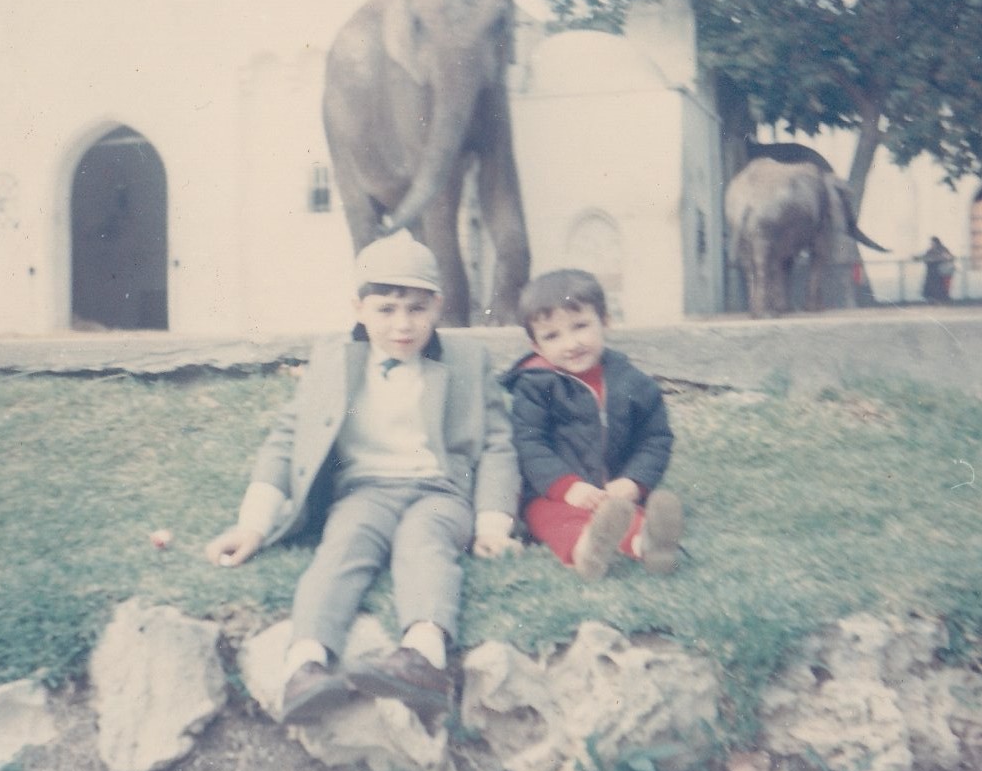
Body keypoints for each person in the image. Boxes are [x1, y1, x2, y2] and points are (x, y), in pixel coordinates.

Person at [204, 230, 521, 725]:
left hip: (439, 490)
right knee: (342, 547)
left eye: (417, 309)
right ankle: (305, 664)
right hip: (365, 490)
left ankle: (423, 656)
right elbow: (288, 437)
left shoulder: (467, 360)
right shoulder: (333, 359)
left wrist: (493, 525)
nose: (402, 324)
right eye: (386, 309)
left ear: (438, 307)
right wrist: (253, 524)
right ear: (358, 308)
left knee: (424, 542)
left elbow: (498, 444)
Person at [503, 269, 684, 581]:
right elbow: (529, 444)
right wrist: (566, 486)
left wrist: (634, 481)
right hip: (552, 494)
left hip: (613, 493)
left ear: (605, 321)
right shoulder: (535, 386)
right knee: (555, 520)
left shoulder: (635, 384)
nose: (571, 343)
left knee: (624, 516)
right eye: (552, 336)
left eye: (580, 326)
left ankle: (649, 544)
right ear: (536, 347)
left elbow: (655, 440)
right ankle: (586, 551)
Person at [916, 237, 956, 303]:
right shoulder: (930, 250)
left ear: (936, 242)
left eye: (932, 242)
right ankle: (933, 298)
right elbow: (925, 256)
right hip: (931, 271)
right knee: (931, 285)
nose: (931, 244)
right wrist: (918, 258)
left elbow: (949, 257)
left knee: (939, 285)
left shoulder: (941, 249)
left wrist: (940, 258)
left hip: (939, 271)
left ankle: (940, 298)